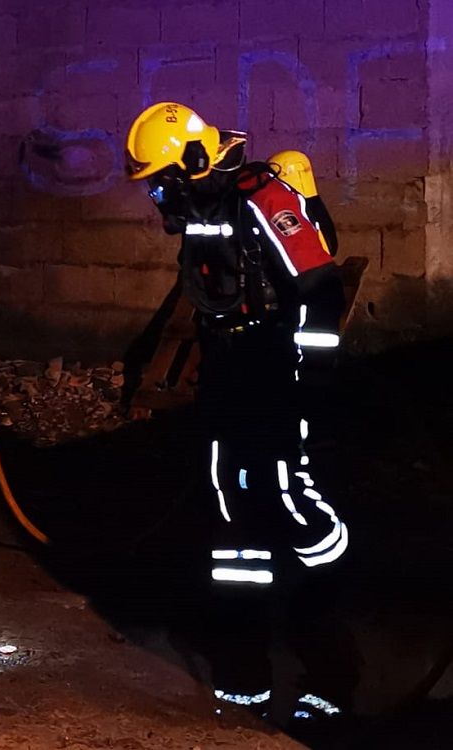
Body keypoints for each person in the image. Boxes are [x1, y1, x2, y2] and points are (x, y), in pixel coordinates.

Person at [124, 102, 350, 587]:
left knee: (281, 478)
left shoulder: (262, 198)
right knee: (224, 475)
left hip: (271, 357)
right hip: (225, 357)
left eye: (162, 181)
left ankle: (322, 576)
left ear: (193, 161)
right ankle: (242, 590)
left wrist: (311, 369)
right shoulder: (202, 206)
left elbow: (319, 286)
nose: (158, 195)